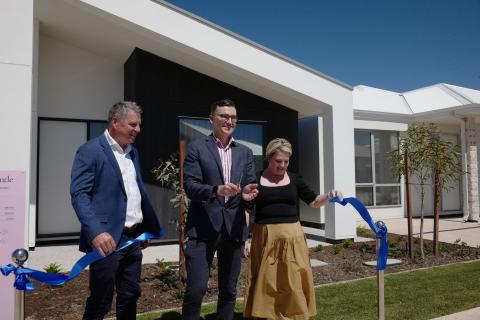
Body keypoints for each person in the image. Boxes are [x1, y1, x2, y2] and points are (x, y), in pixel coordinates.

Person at [70, 101, 161, 320]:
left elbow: (133, 193)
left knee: (130, 295)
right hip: (106, 239)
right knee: (101, 300)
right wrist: (96, 232)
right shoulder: (90, 150)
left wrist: (142, 227)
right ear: (114, 122)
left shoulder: (133, 152)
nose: (138, 130)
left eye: (139, 125)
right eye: (133, 124)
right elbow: (79, 195)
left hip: (132, 238)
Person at [243, 138, 343, 320]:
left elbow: (313, 201)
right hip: (265, 238)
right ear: (268, 158)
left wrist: (329, 195)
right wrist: (245, 238)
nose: (282, 166)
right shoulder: (255, 179)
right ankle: (266, 315)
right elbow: (248, 210)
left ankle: (293, 315)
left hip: (293, 238)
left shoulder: (295, 179)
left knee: (292, 280)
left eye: (286, 161)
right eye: (278, 161)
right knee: (267, 281)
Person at [181, 99, 258, 320]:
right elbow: (190, 186)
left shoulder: (245, 152)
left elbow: (249, 184)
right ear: (211, 119)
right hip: (202, 229)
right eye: (224, 116)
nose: (229, 121)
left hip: (233, 230)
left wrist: (247, 194)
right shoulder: (197, 147)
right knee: (195, 290)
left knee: (229, 289)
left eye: (233, 117)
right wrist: (216, 190)